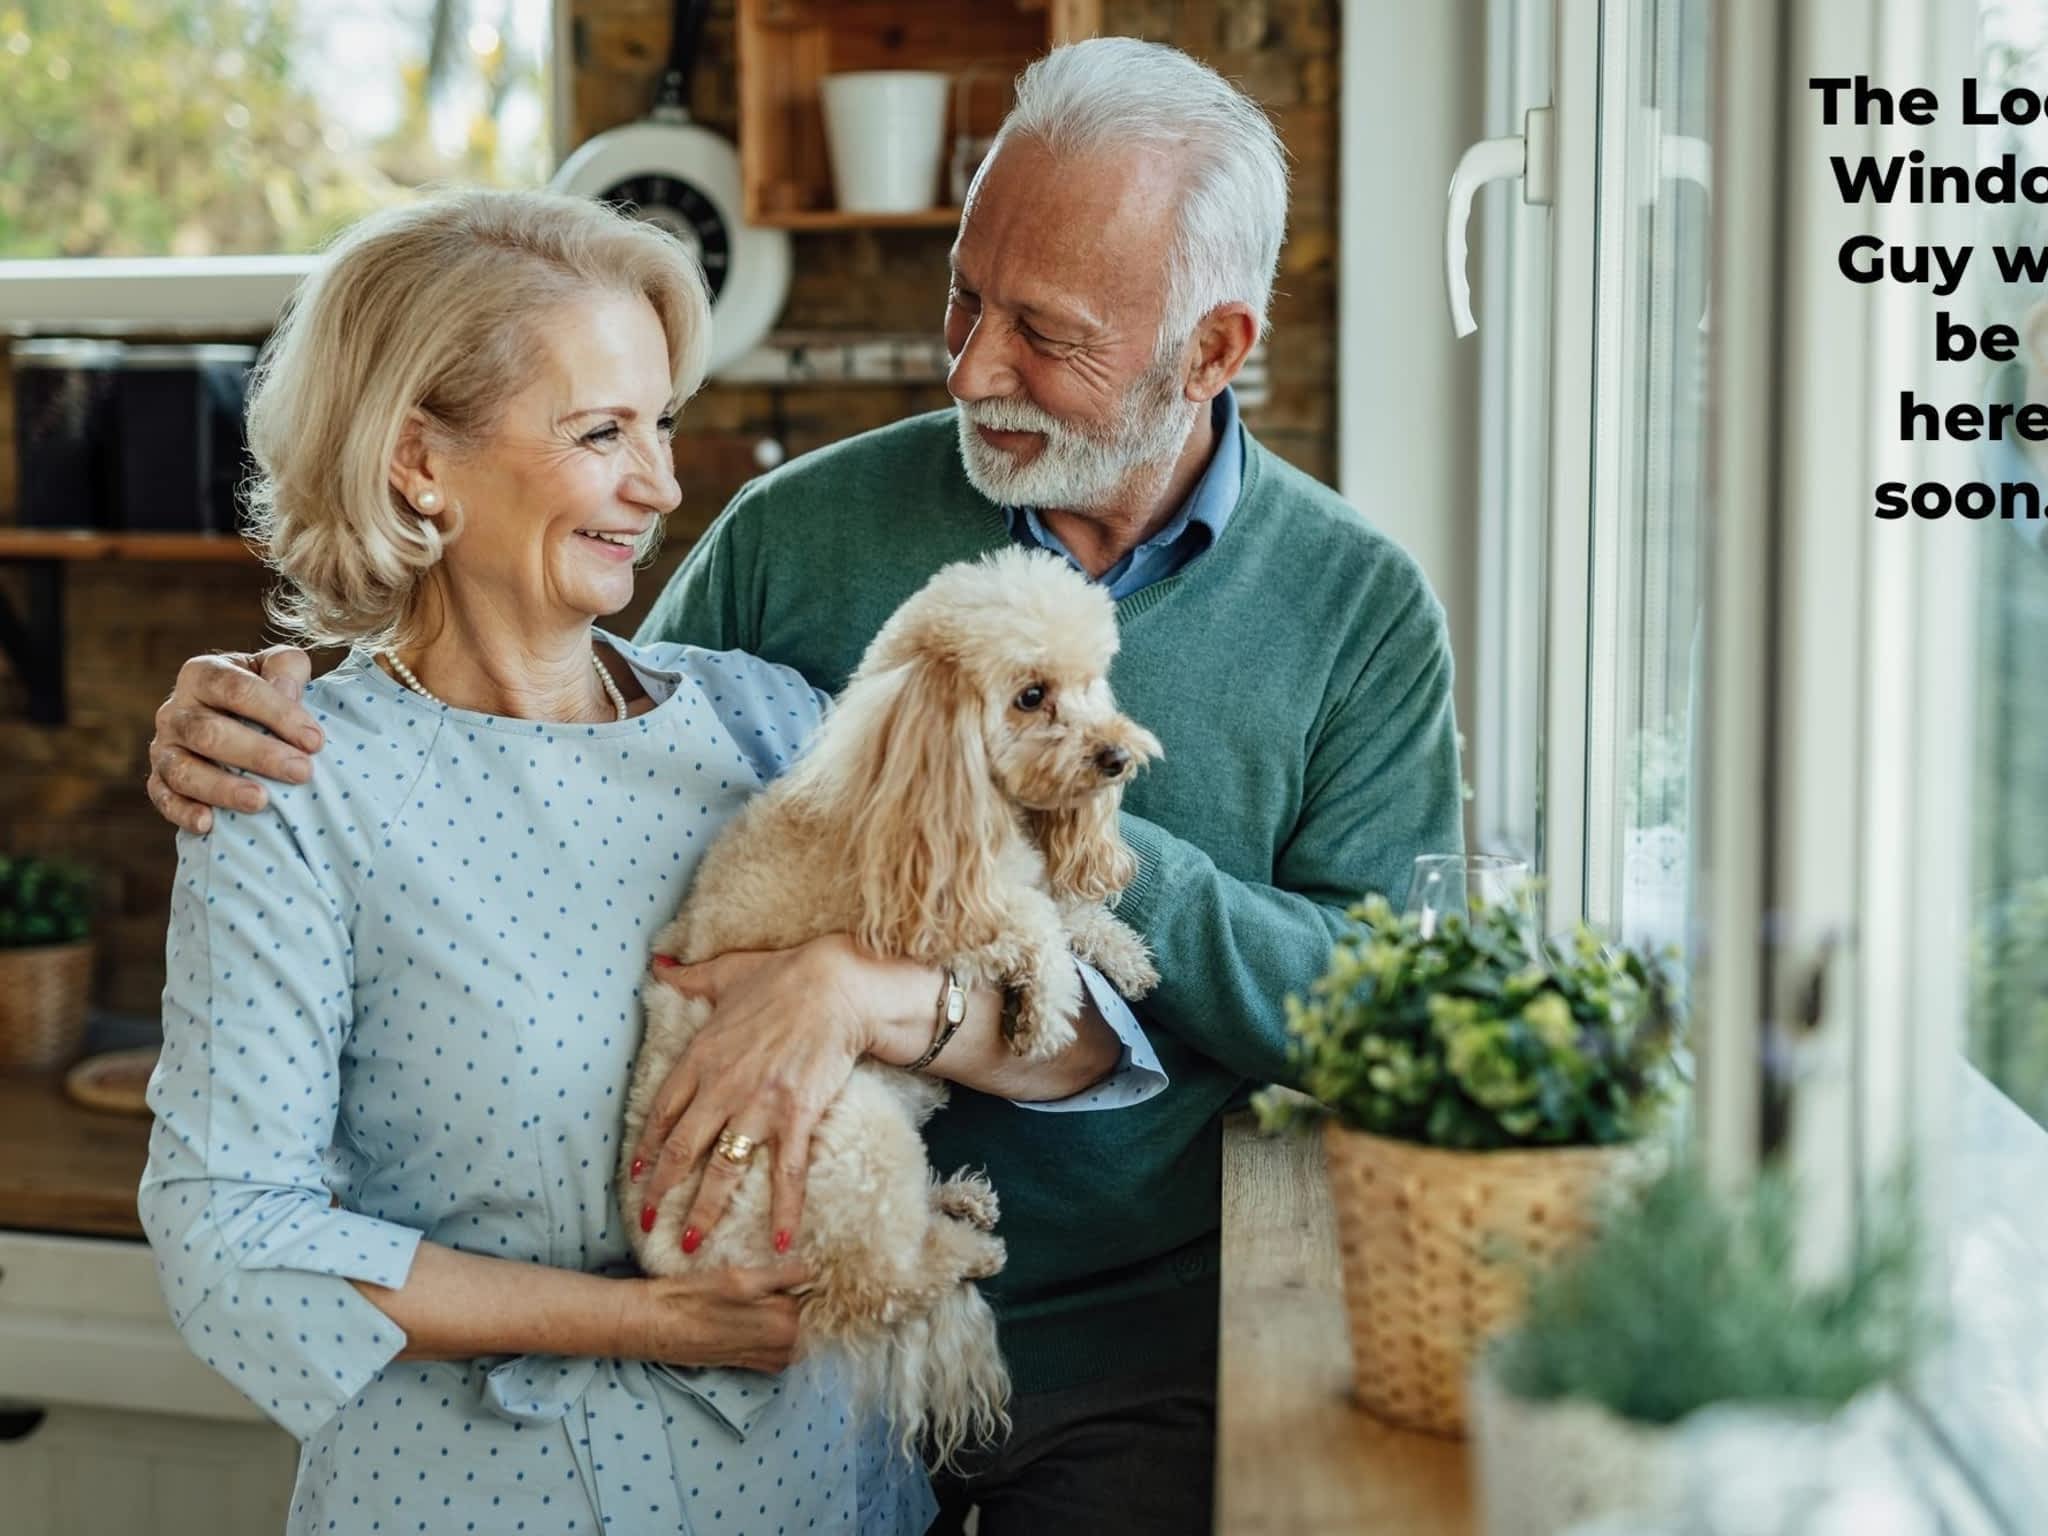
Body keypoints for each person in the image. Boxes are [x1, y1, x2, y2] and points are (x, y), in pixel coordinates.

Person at [146, 37, 1465, 1536]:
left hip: (1101, 1362)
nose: (968, 368)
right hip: (703, 1410)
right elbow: (519, 696)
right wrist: (250, 695)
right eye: (965, 298)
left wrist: (1019, 861)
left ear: (1212, 349)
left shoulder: (1343, 612)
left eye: (1045, 332)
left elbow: (1316, 1015)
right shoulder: (784, 561)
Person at [136, 186, 1164, 1536]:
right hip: (475, 1499)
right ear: (418, 462)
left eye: (661, 426)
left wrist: (854, 990)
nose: (663, 484)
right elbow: (231, 1246)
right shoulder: (294, 785)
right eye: (600, 433)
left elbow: (1086, 1046)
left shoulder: (765, 723)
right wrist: (653, 1321)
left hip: (815, 1495)